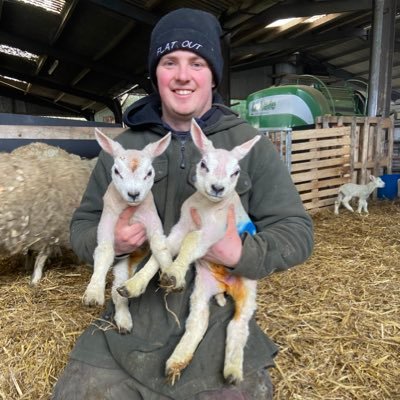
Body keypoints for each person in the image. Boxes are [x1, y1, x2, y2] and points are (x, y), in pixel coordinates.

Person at [52, 8, 313, 400]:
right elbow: (83, 224)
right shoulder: (124, 149)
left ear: (213, 74)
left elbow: (297, 231)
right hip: (129, 324)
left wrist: (242, 252)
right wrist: (112, 241)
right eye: (169, 62)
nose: (182, 75)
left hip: (216, 318)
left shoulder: (247, 146)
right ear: (156, 74)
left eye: (197, 63)